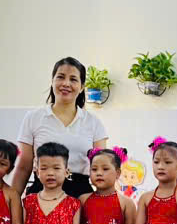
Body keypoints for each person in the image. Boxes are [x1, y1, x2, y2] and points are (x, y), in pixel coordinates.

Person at [11, 57, 109, 198]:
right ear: (52, 81)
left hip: (81, 196)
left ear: (82, 87)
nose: (66, 83)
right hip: (41, 194)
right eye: (61, 77)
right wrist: (12, 203)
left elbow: (102, 168)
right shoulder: (33, 117)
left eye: (73, 79)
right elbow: (23, 167)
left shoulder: (94, 122)